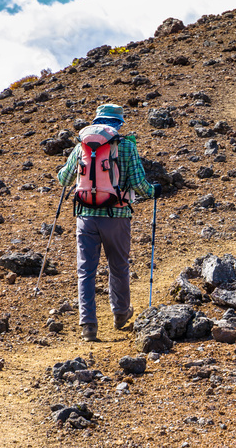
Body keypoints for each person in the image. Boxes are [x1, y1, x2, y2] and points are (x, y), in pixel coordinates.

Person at [58, 103, 161, 342]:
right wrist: (153, 191)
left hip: (85, 216)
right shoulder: (125, 145)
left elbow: (64, 178)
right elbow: (138, 184)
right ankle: (121, 314)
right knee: (119, 266)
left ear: (96, 121)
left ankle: (88, 326)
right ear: (119, 123)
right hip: (117, 216)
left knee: (85, 271)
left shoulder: (81, 146)